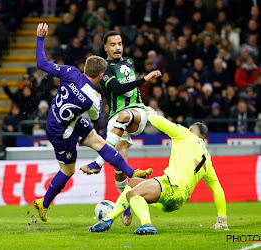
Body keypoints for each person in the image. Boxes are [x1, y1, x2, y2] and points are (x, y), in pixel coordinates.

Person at [33, 23, 153, 222]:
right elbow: (97, 119)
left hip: (63, 119)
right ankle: (43, 203)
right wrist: (96, 104)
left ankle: (133, 172)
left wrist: (40, 38)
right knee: (68, 170)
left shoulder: (70, 72)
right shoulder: (93, 99)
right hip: (60, 131)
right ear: (100, 75)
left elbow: (42, 63)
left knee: (99, 142)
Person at [89, 106, 228, 235]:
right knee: (133, 183)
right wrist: (222, 219)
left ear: (191, 129)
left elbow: (158, 122)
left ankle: (147, 224)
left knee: (133, 194)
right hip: (178, 201)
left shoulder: (185, 134)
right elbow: (217, 189)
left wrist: (149, 112)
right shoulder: (207, 159)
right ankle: (107, 220)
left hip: (170, 186)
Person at [80, 30, 161, 226]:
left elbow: (129, 90)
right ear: (105, 47)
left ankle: (98, 162)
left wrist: (143, 80)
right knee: (119, 167)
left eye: (120, 43)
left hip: (135, 113)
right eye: (113, 44)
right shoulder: (104, 70)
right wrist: (145, 79)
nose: (118, 47)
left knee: (125, 115)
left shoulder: (130, 62)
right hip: (116, 120)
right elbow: (116, 89)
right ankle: (126, 205)